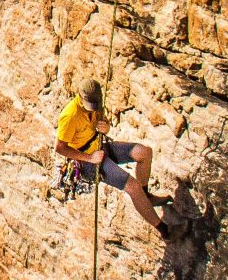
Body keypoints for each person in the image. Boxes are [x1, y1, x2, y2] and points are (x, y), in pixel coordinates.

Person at [55, 81, 169, 233]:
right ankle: (165, 231)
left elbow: (103, 122)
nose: (94, 108)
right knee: (133, 187)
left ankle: (146, 197)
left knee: (144, 153)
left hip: (100, 148)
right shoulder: (69, 116)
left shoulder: (96, 104)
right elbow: (60, 148)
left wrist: (106, 128)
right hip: (87, 162)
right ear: (80, 98)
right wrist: (90, 158)